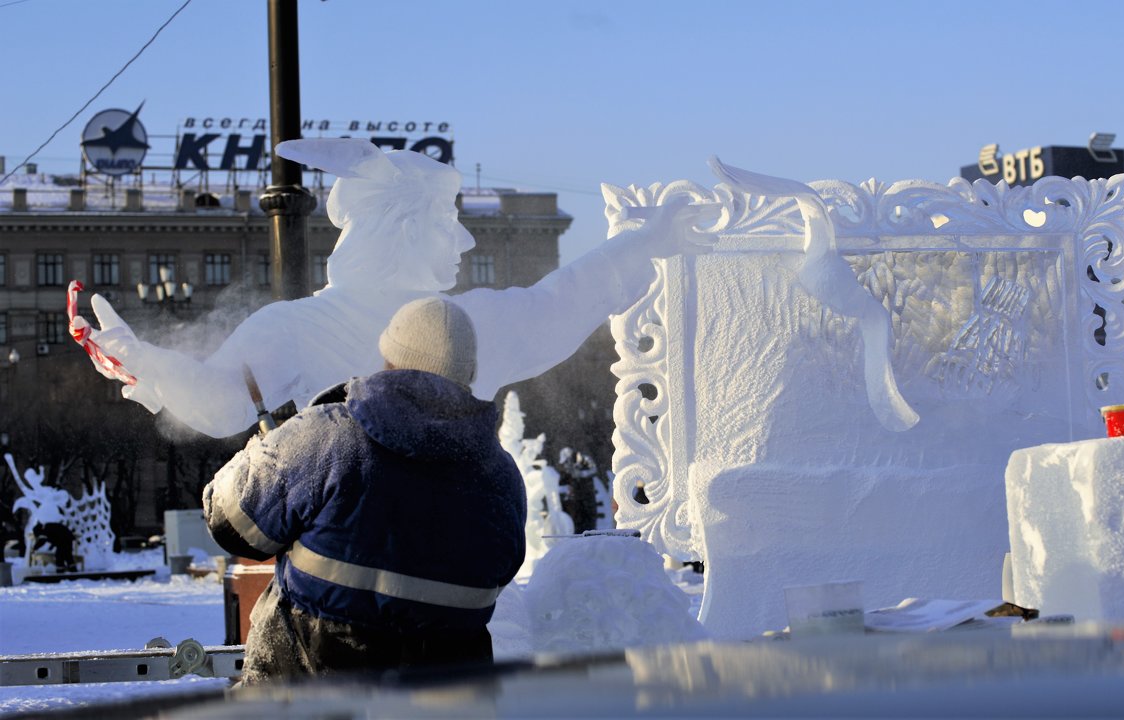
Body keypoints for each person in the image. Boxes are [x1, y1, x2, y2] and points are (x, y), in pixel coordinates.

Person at [82, 138, 719, 438]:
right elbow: (561, 304)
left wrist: (152, 365)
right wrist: (646, 241)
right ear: (404, 228)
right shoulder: (461, 330)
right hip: (441, 596)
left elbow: (219, 406)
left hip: (335, 596)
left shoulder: (291, 328)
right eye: (450, 222)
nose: (466, 243)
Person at [203, 296, 524, 682]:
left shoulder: (330, 437)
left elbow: (228, 521)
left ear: (389, 358)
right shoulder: (502, 477)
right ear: (466, 374)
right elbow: (498, 574)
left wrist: (268, 453)